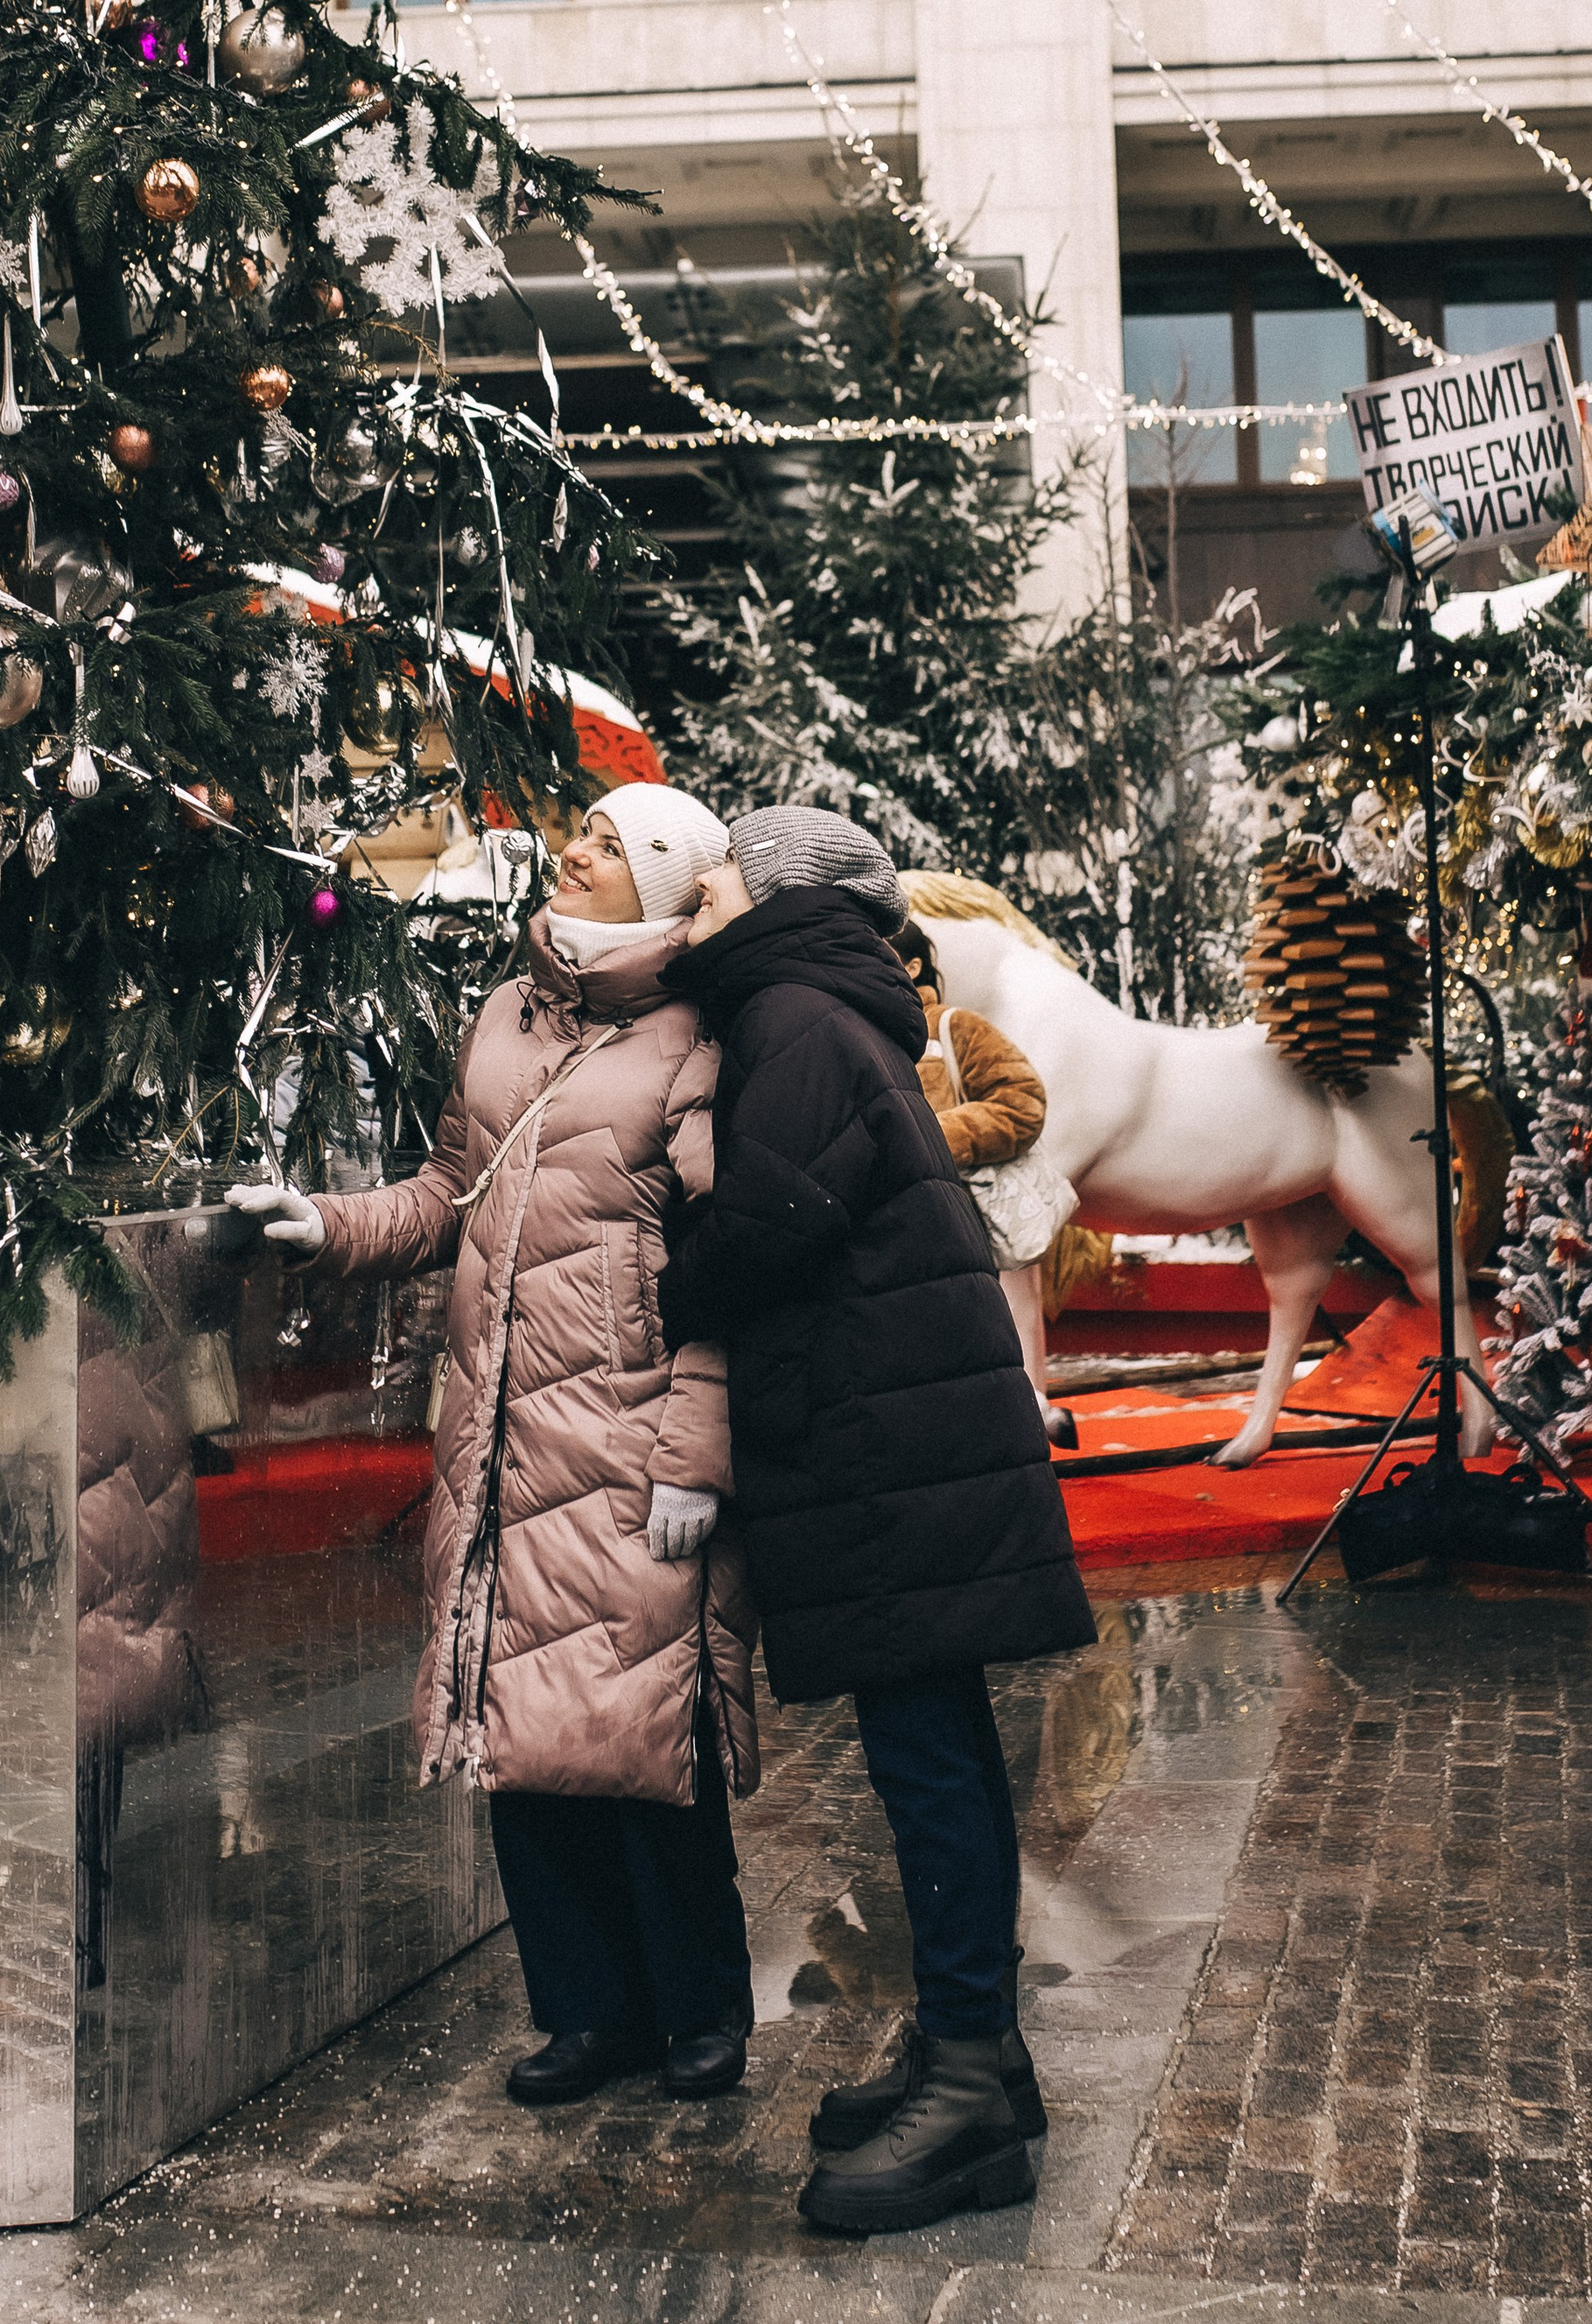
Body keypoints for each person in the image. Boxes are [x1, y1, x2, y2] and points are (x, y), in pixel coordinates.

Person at [231, 781, 760, 2104]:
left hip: (633, 1435)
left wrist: (700, 1452)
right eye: (577, 834)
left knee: (644, 1729)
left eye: (609, 847)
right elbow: (449, 1192)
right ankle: (589, 2012)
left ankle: (701, 2010)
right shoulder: (511, 1016)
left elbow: (728, 1269)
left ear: (662, 890)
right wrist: (333, 1227)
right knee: (521, 1727)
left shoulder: (703, 1040)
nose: (571, 853)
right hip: (502, 1429)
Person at [656, 807, 1096, 2236]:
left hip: (886, 1446)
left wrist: (661, 1278)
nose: (693, 897)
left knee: (928, 1764)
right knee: (941, 1750)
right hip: (905, 1437)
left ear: (774, 898)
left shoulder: (789, 1013)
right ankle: (984, 2056)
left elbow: (776, 1217)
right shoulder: (838, 1007)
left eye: (712, 878)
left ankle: (969, 2090)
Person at [893, 912, 1078, 1453]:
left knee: (1008, 1357)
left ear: (912, 965)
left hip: (984, 1220)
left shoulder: (957, 1028)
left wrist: (933, 1136)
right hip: (918, 1233)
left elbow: (1023, 1101)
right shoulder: (865, 1036)